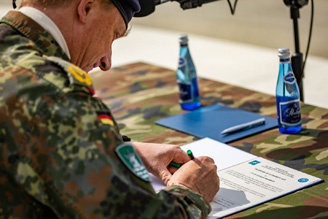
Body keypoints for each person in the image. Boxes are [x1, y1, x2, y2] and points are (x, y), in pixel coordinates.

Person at [0, 0, 220, 218]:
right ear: (86, 8)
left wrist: (124, 148)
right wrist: (191, 190)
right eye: (113, 34)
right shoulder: (56, 93)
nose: (106, 61)